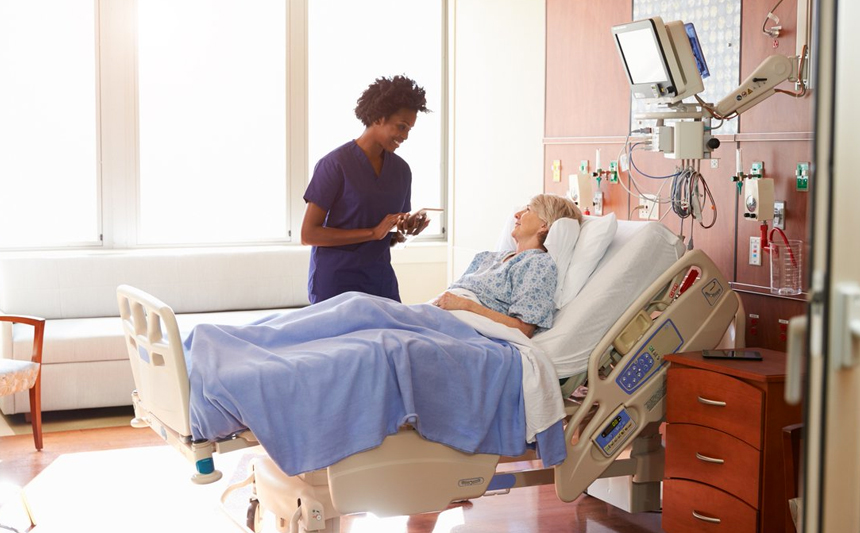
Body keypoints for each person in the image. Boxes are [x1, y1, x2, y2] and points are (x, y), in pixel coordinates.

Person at [301, 75, 431, 304]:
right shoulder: (334, 165)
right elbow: (308, 234)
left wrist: (406, 230)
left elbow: (391, 236)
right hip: (336, 284)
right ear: (379, 118)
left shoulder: (401, 171)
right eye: (401, 126)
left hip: (380, 282)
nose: (405, 136)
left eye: (409, 129)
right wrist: (373, 232)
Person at [432, 193, 582, 338]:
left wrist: (466, 305)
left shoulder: (537, 265)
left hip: (467, 331)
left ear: (544, 224)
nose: (517, 214)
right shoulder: (487, 257)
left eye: (528, 210)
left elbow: (523, 329)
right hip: (439, 315)